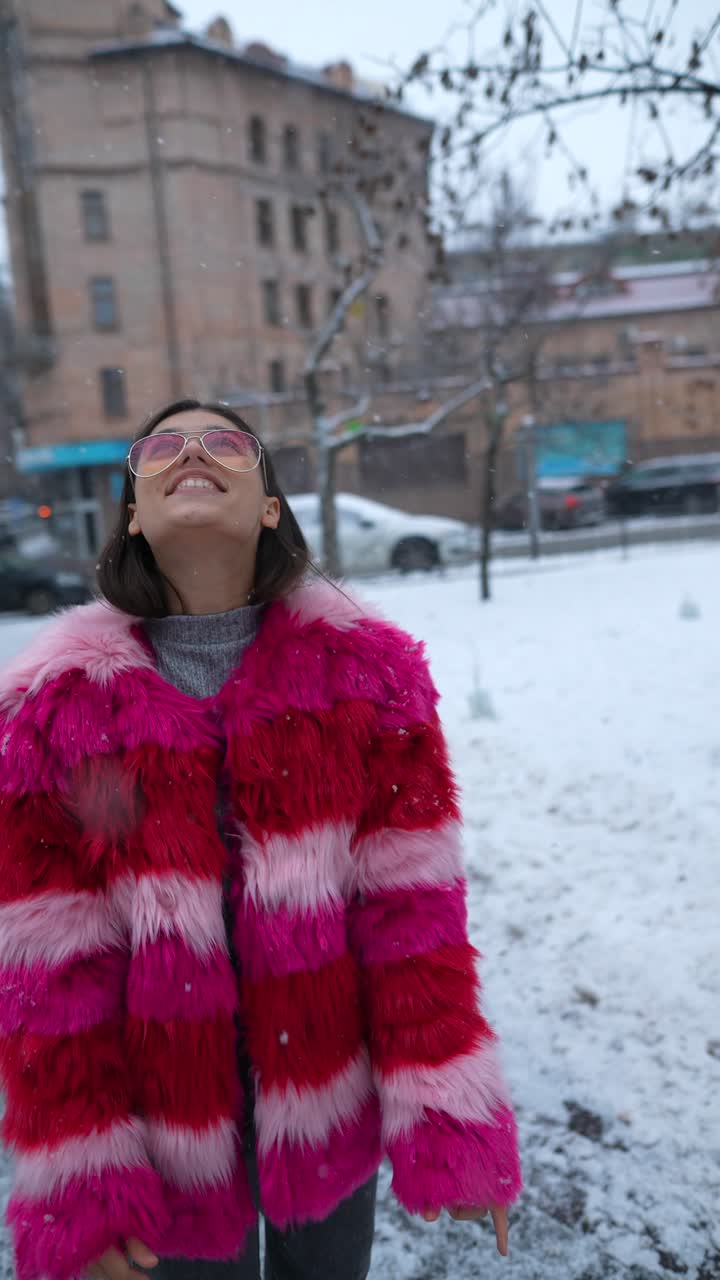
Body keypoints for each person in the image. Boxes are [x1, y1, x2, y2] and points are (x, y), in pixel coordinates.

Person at [0, 399, 521, 1280]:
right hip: (164, 1133)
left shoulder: (368, 677)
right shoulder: (52, 710)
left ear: (270, 504)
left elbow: (415, 925)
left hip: (329, 1104)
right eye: (162, 446)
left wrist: (451, 1122)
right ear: (133, 508)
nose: (192, 453)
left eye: (224, 443)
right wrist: (83, 1186)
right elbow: (48, 977)